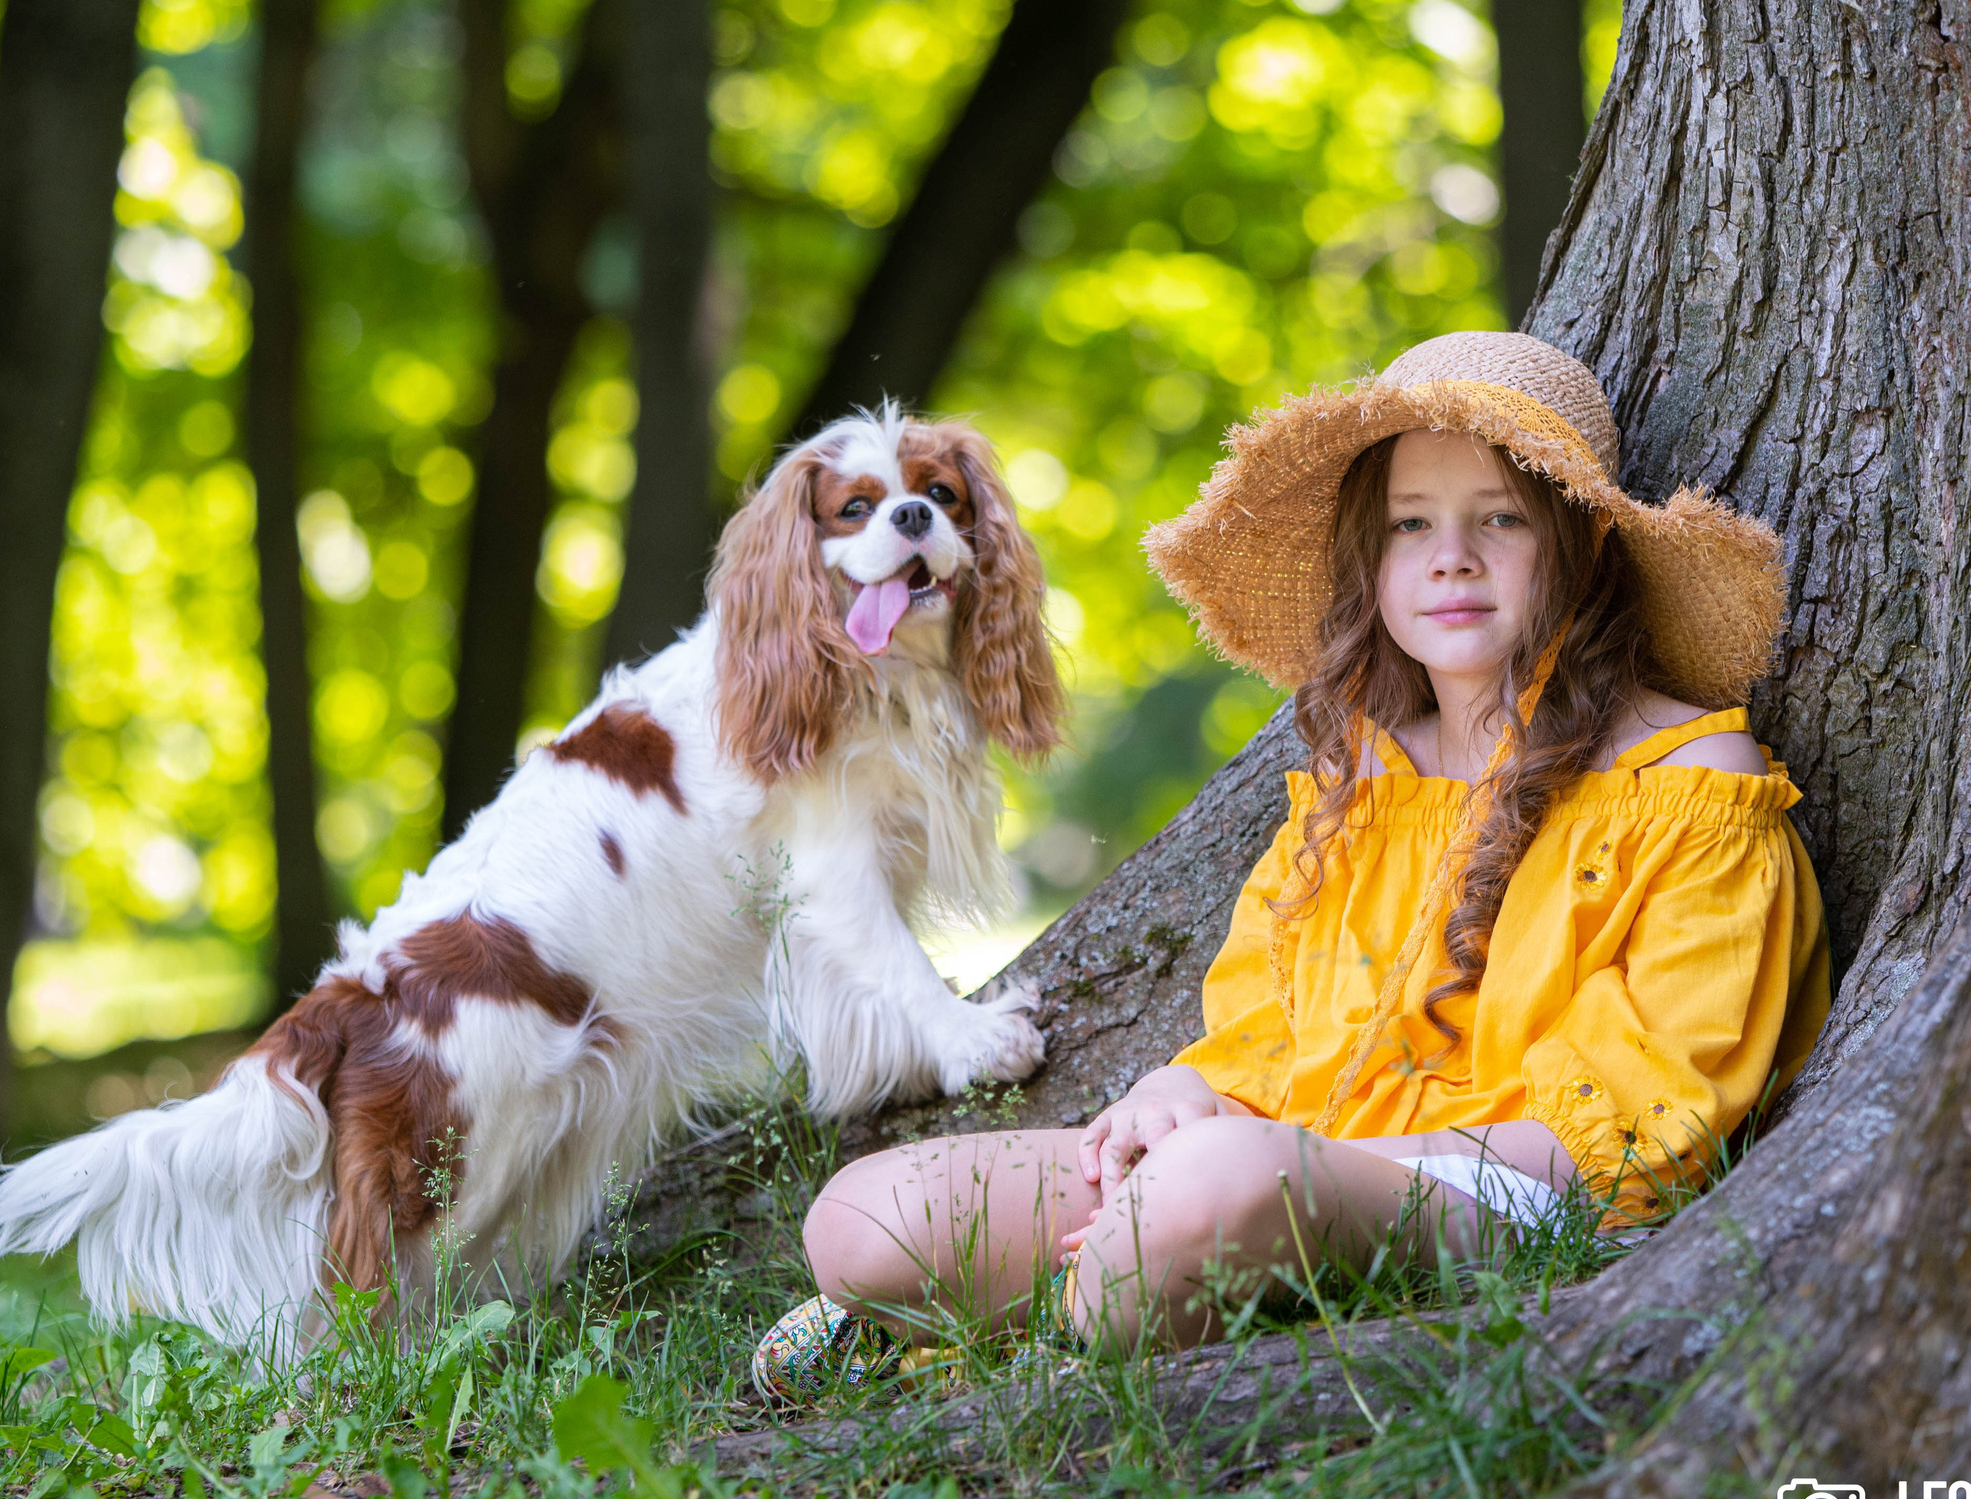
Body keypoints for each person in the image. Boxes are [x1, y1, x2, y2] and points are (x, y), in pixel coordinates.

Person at [750, 331, 1831, 1399]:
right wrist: (1186, 1083)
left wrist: (1330, 1164)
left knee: (1206, 1186)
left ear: (1584, 548)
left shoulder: (1690, 776)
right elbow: (1267, 1015)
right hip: (1287, 1147)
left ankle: (1040, 1357)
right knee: (863, 1213)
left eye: (1499, 519)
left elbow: (1664, 1104)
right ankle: (1125, 1282)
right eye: (1412, 525)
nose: (1450, 555)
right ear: (1375, 564)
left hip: (1508, 1185)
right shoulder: (1359, 777)